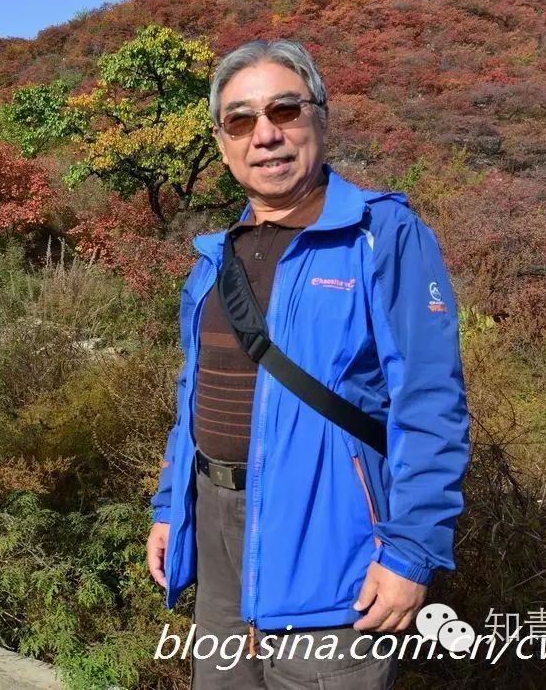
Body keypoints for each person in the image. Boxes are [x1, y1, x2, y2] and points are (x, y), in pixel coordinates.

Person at [145, 40, 470, 689]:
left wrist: (410, 553)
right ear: (221, 140)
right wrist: (166, 506)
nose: (265, 134)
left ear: (320, 117)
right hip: (216, 537)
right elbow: (194, 393)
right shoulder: (215, 259)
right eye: (240, 119)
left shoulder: (381, 235)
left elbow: (431, 405)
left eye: (284, 110)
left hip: (333, 554)